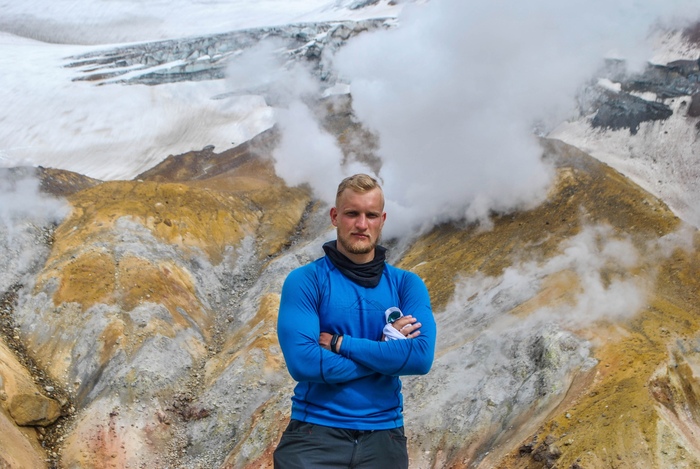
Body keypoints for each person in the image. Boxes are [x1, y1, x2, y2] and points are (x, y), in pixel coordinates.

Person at [274, 173, 436, 468]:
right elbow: (304, 364)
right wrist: (385, 351)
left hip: (384, 438)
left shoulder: (406, 285)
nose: (362, 224)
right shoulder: (306, 281)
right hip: (314, 435)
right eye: (352, 214)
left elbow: (421, 358)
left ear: (382, 220)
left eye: (371, 215)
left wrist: (341, 343)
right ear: (335, 216)